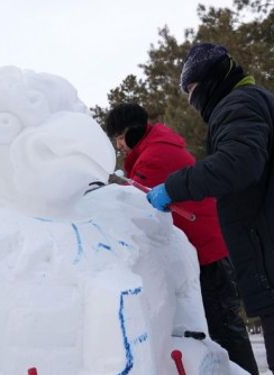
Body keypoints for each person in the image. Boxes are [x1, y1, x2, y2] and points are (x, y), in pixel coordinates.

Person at [146, 42, 274, 375]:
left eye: (193, 90)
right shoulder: (265, 103)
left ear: (213, 80)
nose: (192, 100)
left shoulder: (238, 105)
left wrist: (173, 187)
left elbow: (237, 164)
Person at [105, 103, 258, 374]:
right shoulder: (158, 146)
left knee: (224, 326)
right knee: (222, 324)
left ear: (131, 131)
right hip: (206, 247)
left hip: (206, 251)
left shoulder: (155, 155)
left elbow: (136, 205)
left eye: (119, 138)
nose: (120, 147)